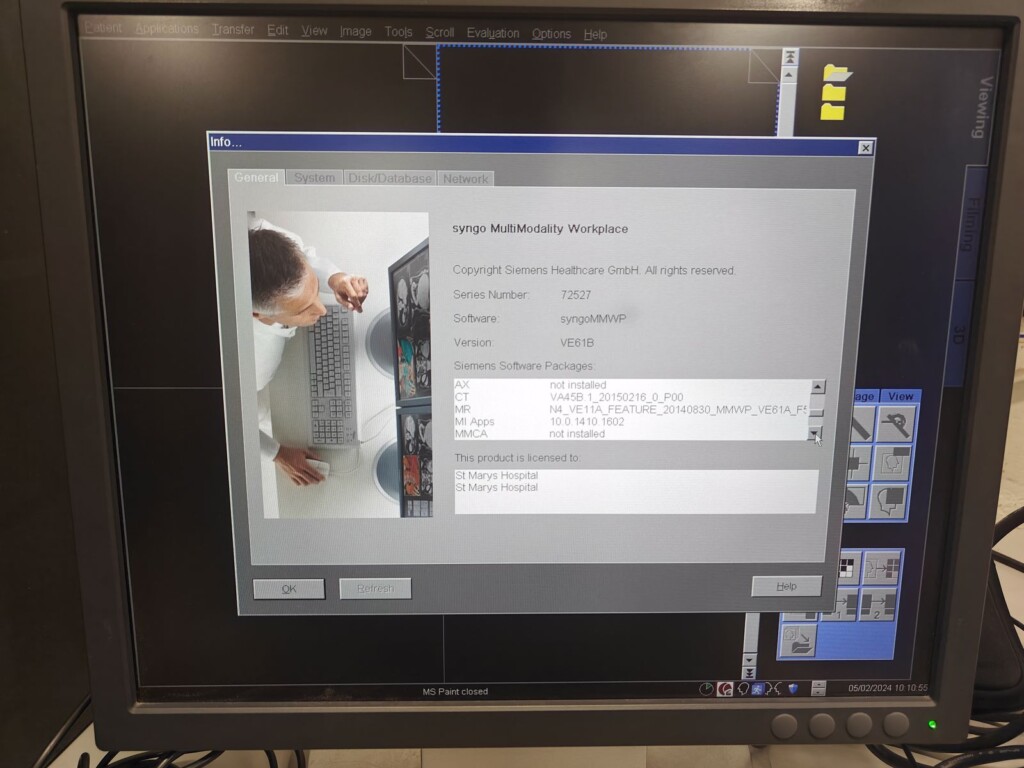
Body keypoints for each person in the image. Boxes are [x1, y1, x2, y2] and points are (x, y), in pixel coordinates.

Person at [248, 217, 368, 486]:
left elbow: (304, 256)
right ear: (256, 314)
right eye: (304, 309)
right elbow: (223, 418)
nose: (322, 310)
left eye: (314, 291)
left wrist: (336, 279)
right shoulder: (235, 364)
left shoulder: (261, 236)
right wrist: (276, 453)